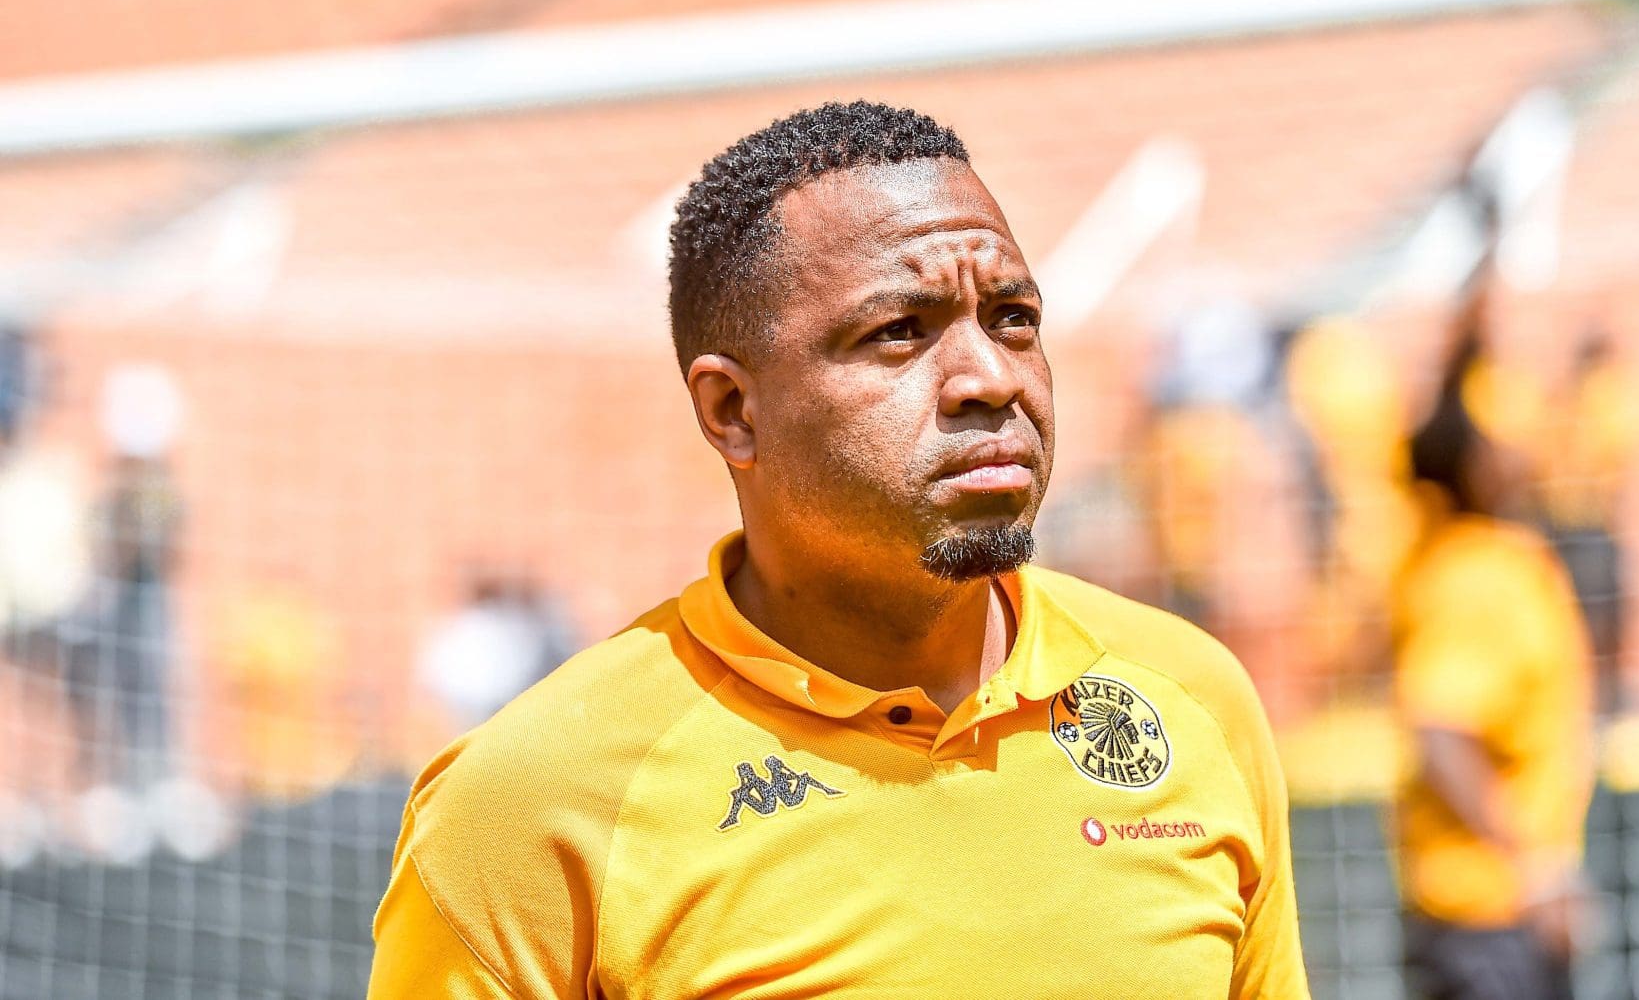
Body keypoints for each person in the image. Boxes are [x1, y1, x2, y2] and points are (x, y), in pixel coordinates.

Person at [368, 101, 1309, 998]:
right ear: (732, 410)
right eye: (899, 332)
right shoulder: (533, 802)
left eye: (1013, 318)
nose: (990, 376)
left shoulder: (1191, 696)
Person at [1391, 324, 1592, 1000]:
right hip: (1486, 918)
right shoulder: (1479, 574)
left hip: (1493, 914)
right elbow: (1441, 730)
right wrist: (1538, 867)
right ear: (1478, 459)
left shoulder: (1478, 557)